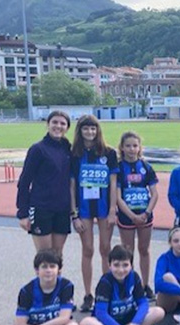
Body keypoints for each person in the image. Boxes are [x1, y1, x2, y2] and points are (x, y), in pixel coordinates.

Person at [69, 115, 119, 313]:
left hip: (104, 208)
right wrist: (74, 214)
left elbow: (113, 184)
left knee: (105, 249)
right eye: (86, 129)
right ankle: (88, 294)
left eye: (93, 128)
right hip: (84, 209)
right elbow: (72, 185)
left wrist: (113, 209)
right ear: (80, 131)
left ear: (98, 130)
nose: (90, 132)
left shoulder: (109, 152)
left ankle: (105, 293)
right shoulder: (74, 154)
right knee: (87, 249)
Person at [79, 245, 164, 325]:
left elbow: (143, 302)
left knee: (159, 312)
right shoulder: (105, 282)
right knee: (85, 323)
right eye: (116, 265)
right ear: (109, 265)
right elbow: (101, 313)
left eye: (125, 265)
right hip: (109, 321)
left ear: (131, 266)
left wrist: (135, 323)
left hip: (129, 318)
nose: (121, 270)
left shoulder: (134, 277)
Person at [16, 111, 72, 256]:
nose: (58, 126)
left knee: (57, 255)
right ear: (48, 124)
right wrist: (23, 213)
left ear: (67, 128)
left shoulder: (68, 149)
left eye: (62, 123)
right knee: (44, 256)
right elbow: (24, 181)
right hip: (41, 208)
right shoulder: (38, 149)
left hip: (62, 209)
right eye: (55, 122)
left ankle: (57, 273)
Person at [116, 131, 158, 298]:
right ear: (122, 148)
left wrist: (147, 212)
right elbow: (117, 197)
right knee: (128, 252)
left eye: (135, 145)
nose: (132, 149)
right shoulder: (119, 168)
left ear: (140, 147)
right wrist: (131, 216)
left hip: (145, 215)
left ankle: (145, 285)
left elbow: (154, 194)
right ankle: (129, 285)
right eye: (128, 146)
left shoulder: (146, 167)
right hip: (126, 216)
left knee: (144, 250)